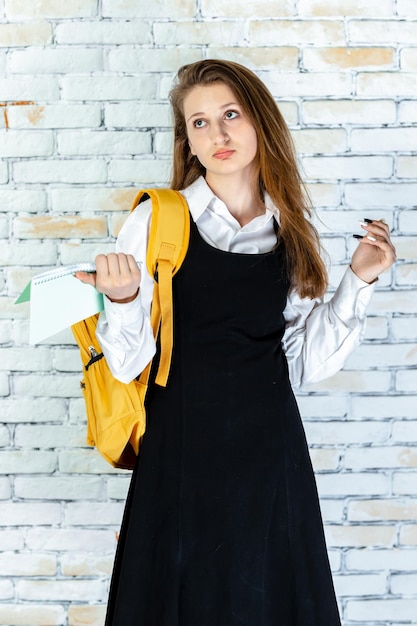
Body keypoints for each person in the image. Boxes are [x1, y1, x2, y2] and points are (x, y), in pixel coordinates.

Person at [76, 59, 396, 626]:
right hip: (181, 454)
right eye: (199, 123)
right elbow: (126, 363)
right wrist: (123, 301)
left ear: (259, 122)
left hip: (271, 456)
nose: (218, 134)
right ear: (188, 142)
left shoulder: (291, 228)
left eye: (230, 114)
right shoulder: (158, 219)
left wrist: (359, 280)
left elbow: (301, 363)